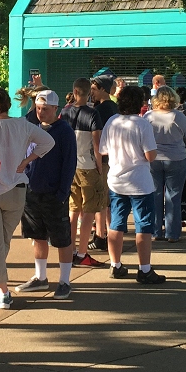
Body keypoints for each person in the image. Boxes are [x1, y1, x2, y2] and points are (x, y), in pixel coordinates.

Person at [0, 88, 55, 310]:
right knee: (2, 242)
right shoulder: (22, 125)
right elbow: (48, 142)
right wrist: (28, 160)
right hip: (17, 189)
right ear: (9, 105)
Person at [98, 85, 165, 284]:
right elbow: (150, 155)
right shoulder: (142, 124)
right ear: (140, 103)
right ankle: (144, 269)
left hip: (117, 180)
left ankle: (115, 264)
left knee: (116, 224)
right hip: (139, 182)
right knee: (143, 225)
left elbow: (103, 150)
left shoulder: (112, 121)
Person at [17, 90, 78, 298]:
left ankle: (64, 280)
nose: (41, 112)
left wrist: (62, 192)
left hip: (55, 194)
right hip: (32, 191)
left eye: (45, 109)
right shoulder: (31, 128)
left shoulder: (65, 131)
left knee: (62, 239)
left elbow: (69, 164)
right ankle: (40, 277)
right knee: (37, 236)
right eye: (38, 108)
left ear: (55, 109)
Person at [60, 78, 107, 267]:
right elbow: (97, 143)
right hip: (88, 166)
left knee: (73, 210)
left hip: (71, 167)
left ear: (74, 91)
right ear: (89, 93)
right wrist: (99, 164)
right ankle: (82, 253)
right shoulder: (93, 114)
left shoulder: (64, 112)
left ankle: (70, 250)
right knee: (88, 211)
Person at [146, 86, 186, 242]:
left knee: (155, 195)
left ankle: (155, 231)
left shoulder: (148, 116)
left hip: (153, 158)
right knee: (173, 196)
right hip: (177, 158)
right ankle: (172, 233)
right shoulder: (178, 116)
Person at [89, 76, 118, 251]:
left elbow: (97, 138)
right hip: (112, 158)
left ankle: (101, 236)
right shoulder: (115, 108)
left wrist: (98, 160)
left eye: (94, 89)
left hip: (102, 160)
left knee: (100, 200)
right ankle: (109, 233)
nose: (91, 92)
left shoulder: (99, 110)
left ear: (103, 89)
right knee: (107, 201)